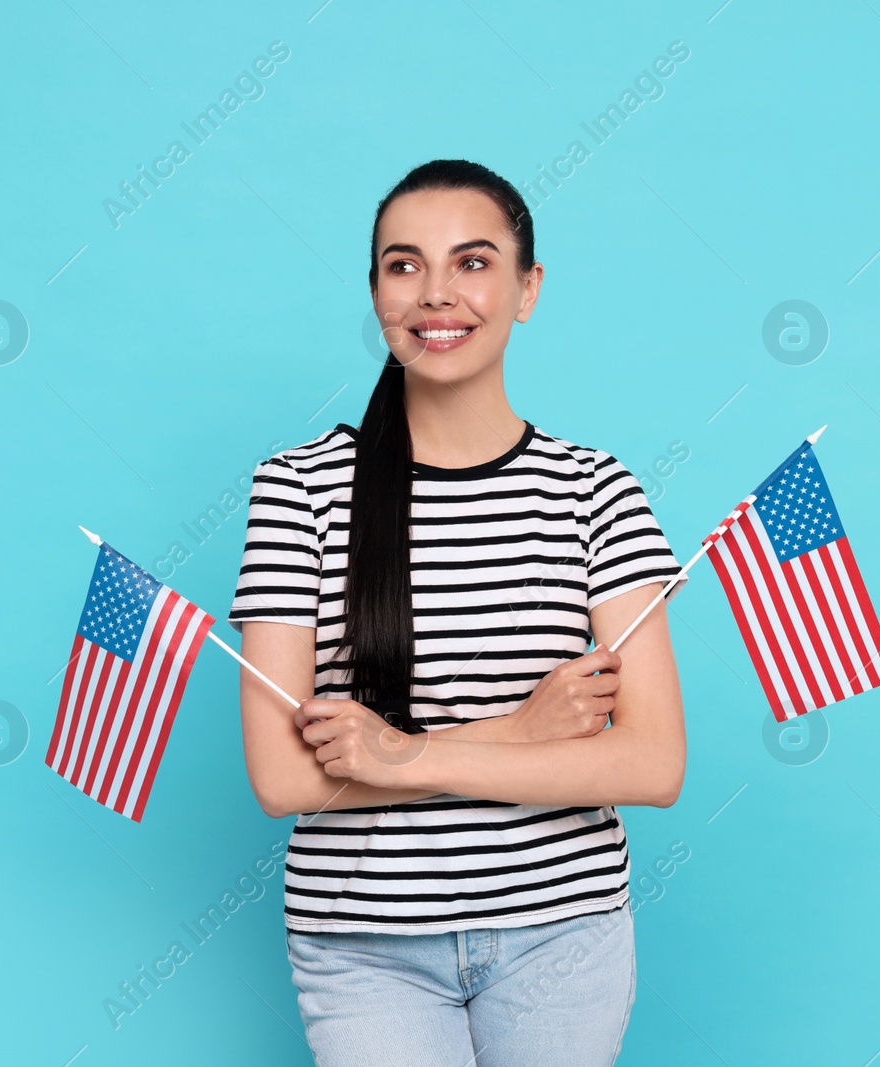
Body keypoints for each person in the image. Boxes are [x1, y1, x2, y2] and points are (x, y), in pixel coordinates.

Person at [227, 159, 688, 1066]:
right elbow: (283, 780)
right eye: (403, 266)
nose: (437, 294)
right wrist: (522, 731)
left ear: (528, 288)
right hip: (363, 944)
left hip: (564, 930)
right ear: (375, 293)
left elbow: (653, 761)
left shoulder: (595, 490)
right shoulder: (298, 489)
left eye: (473, 262)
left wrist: (404, 751)